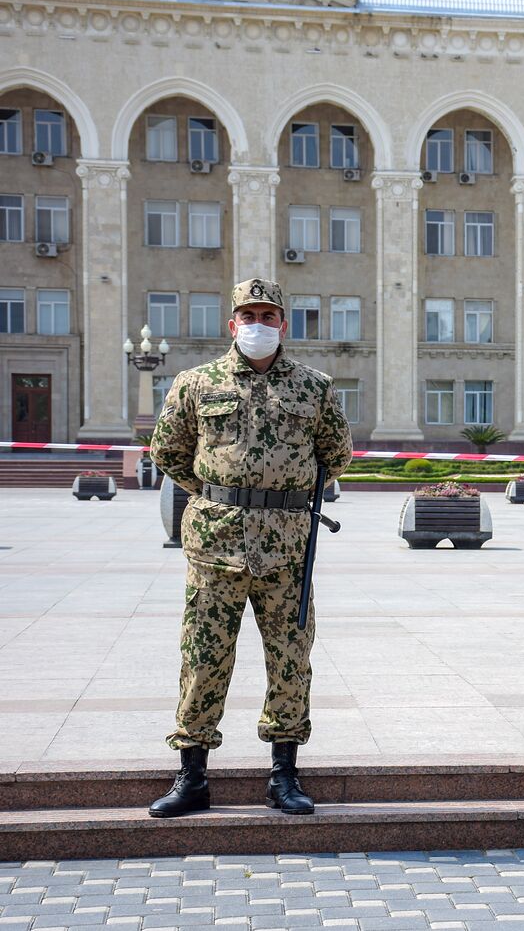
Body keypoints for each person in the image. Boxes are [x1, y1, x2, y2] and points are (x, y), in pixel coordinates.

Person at [147, 277, 353, 818]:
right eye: (249, 316)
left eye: (269, 316)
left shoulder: (315, 387)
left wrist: (278, 498)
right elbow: (167, 451)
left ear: (283, 324)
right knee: (203, 657)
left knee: (290, 658)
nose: (258, 325)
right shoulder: (197, 383)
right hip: (215, 543)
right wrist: (219, 497)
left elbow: (337, 454)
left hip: (287, 548)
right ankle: (191, 776)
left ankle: (284, 775)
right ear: (232, 324)